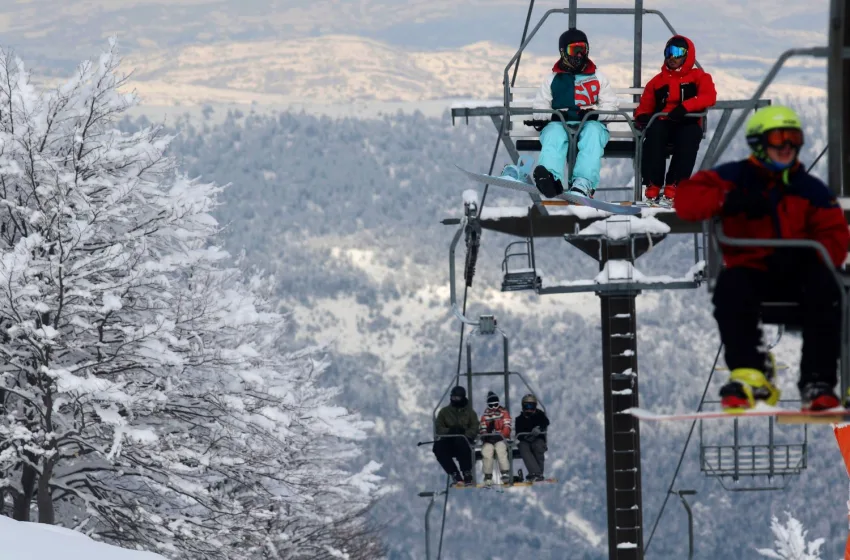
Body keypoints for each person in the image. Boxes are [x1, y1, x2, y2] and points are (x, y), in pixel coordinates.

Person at [674, 105, 850, 411]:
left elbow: (834, 235)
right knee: (732, 289)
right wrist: (727, 200)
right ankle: (751, 372)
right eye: (779, 139)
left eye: (793, 139)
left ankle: (818, 381)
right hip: (752, 269)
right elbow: (686, 200)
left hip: (800, 272)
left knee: (827, 289)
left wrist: (810, 256)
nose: (787, 147)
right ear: (759, 143)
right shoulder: (735, 178)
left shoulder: (809, 190)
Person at [505, 28, 618, 199]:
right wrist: (549, 116)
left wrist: (595, 114)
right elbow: (540, 106)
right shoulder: (553, 79)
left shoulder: (597, 77)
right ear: (563, 52)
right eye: (574, 50)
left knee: (593, 136)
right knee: (553, 136)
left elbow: (611, 106)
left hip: (590, 123)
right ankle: (550, 178)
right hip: (561, 123)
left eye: (583, 50)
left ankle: (583, 182)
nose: (579, 55)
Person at [634, 35, 716, 203]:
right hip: (664, 122)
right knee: (654, 134)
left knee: (689, 136)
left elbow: (709, 96)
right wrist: (642, 117)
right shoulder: (657, 82)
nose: (672, 57)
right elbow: (644, 107)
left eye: (678, 52)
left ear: (687, 55)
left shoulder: (699, 77)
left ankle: (675, 185)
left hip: (687, 121)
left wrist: (686, 107)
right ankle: (653, 184)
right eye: (669, 52)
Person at [433, 386, 479, 485]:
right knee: (438, 447)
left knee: (461, 442)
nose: (454, 400)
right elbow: (439, 428)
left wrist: (464, 434)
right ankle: (454, 473)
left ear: (462, 398)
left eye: (457, 398)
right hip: (449, 441)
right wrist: (450, 431)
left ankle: (466, 472)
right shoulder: (444, 412)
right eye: (453, 397)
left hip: (464, 442)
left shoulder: (470, 413)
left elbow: (475, 428)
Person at [479, 391, 512, 486]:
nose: (493, 408)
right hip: (489, 440)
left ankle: (505, 472)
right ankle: (488, 475)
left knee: (500, 449)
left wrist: (500, 435)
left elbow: (507, 427)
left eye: (496, 404)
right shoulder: (485, 416)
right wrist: (487, 436)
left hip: (501, 439)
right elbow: (482, 429)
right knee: (486, 450)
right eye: (491, 405)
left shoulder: (504, 413)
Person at [515, 394, 550, 482]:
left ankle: (538, 473)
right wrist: (528, 436)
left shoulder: (539, 415)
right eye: (527, 406)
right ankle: (535, 473)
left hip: (538, 440)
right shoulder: (520, 419)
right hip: (525, 441)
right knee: (523, 447)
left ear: (535, 406)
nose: (529, 408)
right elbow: (519, 432)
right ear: (523, 406)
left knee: (537, 446)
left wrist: (539, 428)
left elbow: (546, 422)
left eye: (531, 405)